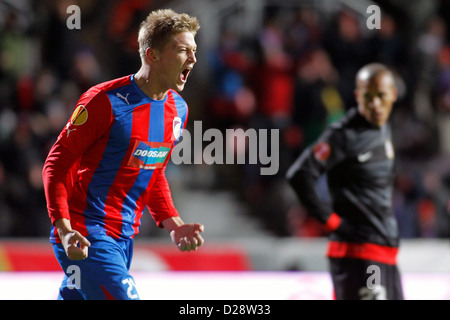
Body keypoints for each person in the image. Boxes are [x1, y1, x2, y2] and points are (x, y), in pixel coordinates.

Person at [42, 9, 204, 300]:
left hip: (122, 239)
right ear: (152, 55)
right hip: (86, 233)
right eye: (183, 51)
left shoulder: (178, 109)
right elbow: (56, 164)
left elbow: (153, 173)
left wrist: (174, 224)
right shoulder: (105, 101)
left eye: (194, 51)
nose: (192, 59)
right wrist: (64, 228)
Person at [286, 63, 404, 300]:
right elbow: (299, 174)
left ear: (393, 95)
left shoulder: (383, 128)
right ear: (357, 96)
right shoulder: (343, 134)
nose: (374, 104)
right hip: (358, 254)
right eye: (367, 97)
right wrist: (331, 222)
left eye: (381, 96)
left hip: (385, 252)